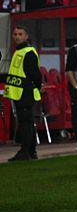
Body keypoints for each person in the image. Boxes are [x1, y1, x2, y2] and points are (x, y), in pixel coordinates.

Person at [4, 25, 41, 161]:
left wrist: (37, 86)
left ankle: (25, 152)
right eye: (15, 34)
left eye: (20, 34)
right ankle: (31, 151)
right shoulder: (18, 51)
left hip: (25, 93)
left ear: (26, 36)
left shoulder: (28, 52)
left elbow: (35, 74)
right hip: (19, 92)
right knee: (27, 122)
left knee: (25, 123)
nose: (17, 37)